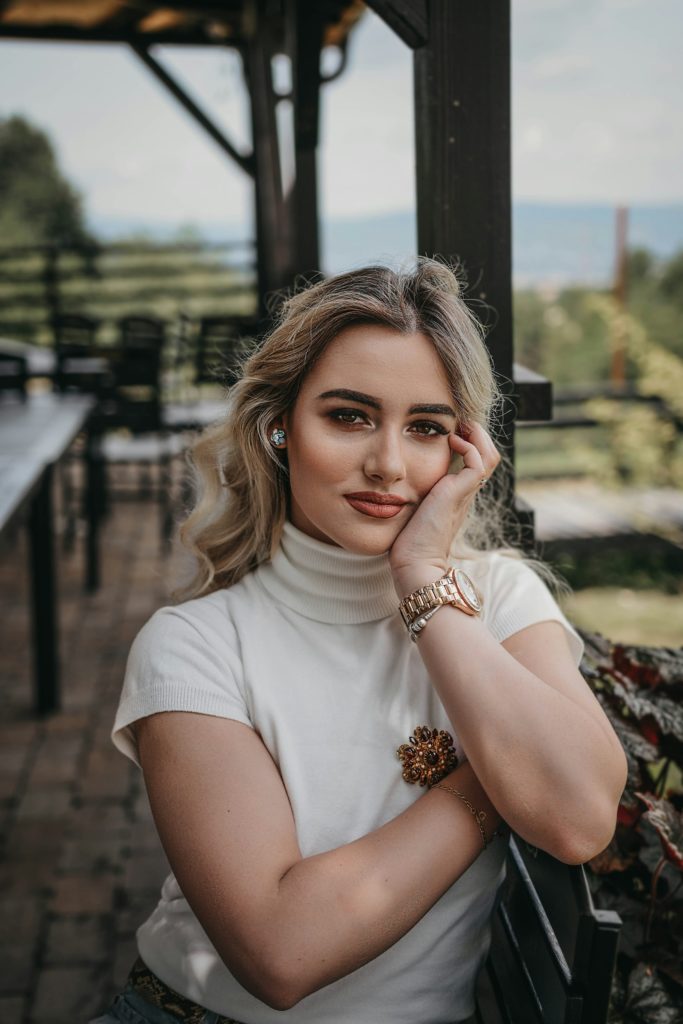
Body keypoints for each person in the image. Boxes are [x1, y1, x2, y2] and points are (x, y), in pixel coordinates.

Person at [90, 260, 627, 1024]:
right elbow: (280, 952)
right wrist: (491, 778)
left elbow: (575, 817)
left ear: (462, 452)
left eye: (426, 428)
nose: (388, 464)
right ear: (279, 426)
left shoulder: (499, 598)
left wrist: (420, 579)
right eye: (348, 415)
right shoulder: (193, 646)